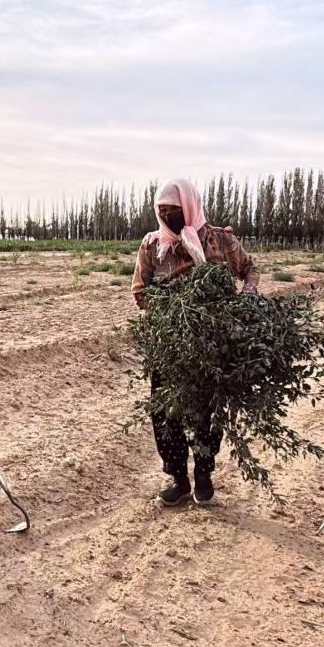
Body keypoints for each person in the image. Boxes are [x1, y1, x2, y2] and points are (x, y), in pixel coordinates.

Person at [131, 178, 260, 507]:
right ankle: (179, 480)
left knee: (206, 411)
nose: (166, 216)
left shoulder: (219, 239)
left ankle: (204, 473)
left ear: (188, 206)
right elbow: (140, 291)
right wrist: (170, 306)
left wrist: (246, 296)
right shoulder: (152, 245)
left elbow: (250, 270)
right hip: (170, 344)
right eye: (161, 211)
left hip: (212, 342)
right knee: (166, 412)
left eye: (172, 210)